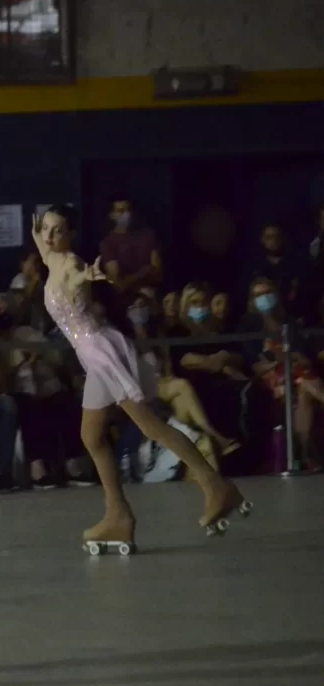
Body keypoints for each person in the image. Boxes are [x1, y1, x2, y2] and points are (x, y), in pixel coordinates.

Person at [31, 206, 249, 550]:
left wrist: (90, 275)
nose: (49, 236)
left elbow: (77, 275)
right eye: (46, 229)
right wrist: (38, 226)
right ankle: (118, 515)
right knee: (92, 436)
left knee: (150, 425)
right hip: (92, 355)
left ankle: (215, 485)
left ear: (71, 235)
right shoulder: (49, 257)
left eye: (57, 231)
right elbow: (43, 249)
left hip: (102, 352)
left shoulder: (70, 263)